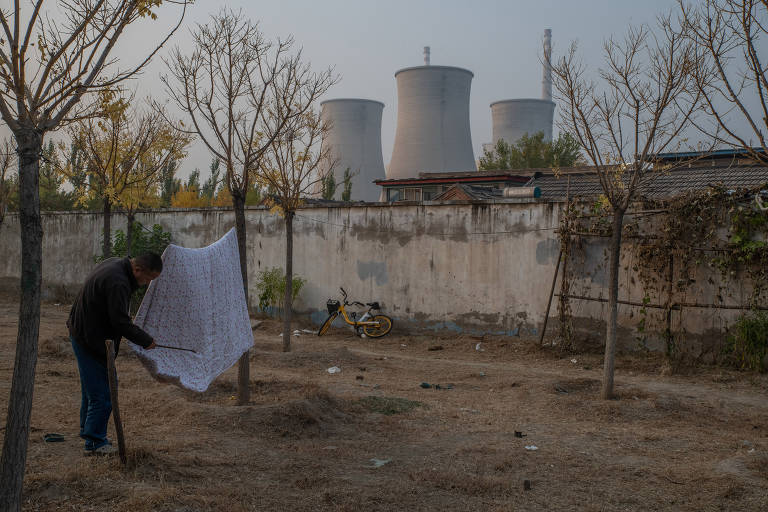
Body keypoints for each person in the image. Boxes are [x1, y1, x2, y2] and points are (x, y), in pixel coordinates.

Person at [67, 253, 162, 456]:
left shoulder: (116, 264)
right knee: (104, 393)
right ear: (138, 270)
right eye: (148, 278)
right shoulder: (118, 282)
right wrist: (146, 340)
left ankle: (89, 431)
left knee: (93, 391)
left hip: (83, 331)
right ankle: (95, 443)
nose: (147, 283)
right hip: (89, 339)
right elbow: (120, 322)